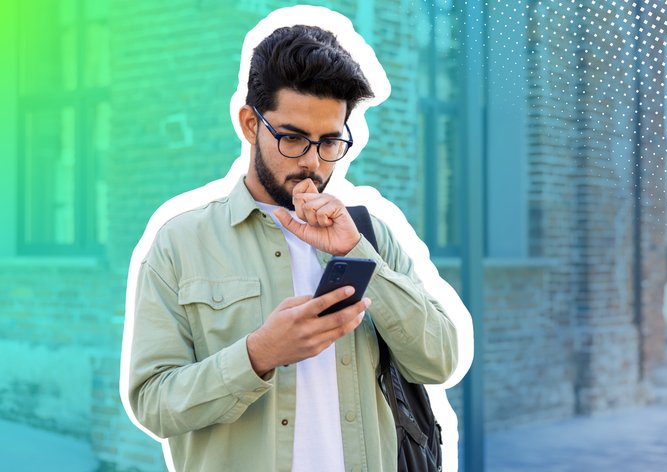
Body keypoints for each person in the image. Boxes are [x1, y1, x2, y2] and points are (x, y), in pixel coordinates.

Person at [123, 20, 460, 472]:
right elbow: (152, 403)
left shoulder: (369, 234)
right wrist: (258, 355)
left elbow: (439, 361)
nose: (312, 163)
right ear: (249, 124)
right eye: (293, 138)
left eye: (329, 142)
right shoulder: (180, 244)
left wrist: (358, 252)